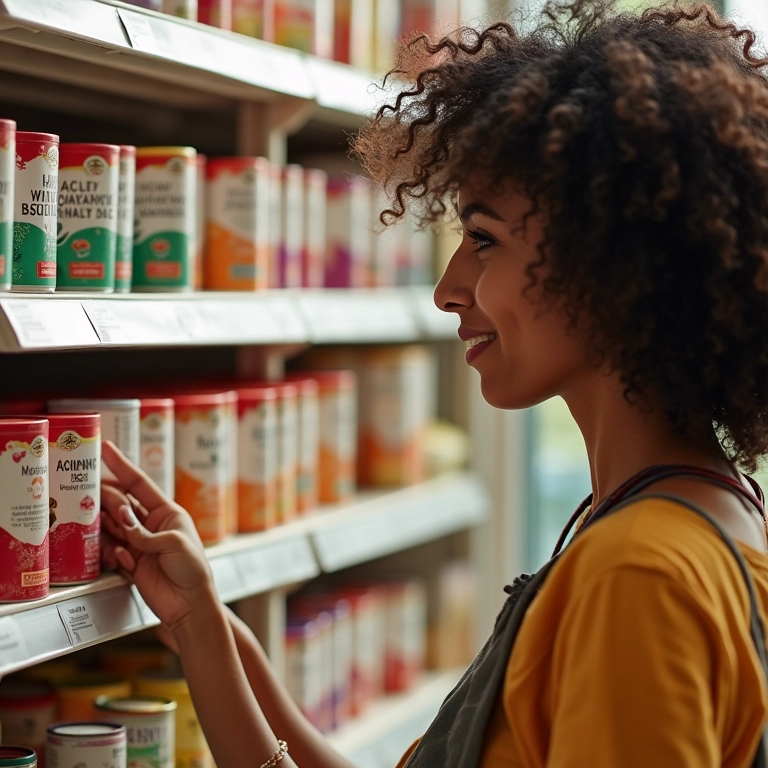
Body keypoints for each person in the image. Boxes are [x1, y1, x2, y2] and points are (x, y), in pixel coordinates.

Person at [101, 0, 768, 765]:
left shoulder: (640, 575)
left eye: (483, 240)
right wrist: (205, 629)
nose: (449, 288)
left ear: (615, 265)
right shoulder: (689, 517)